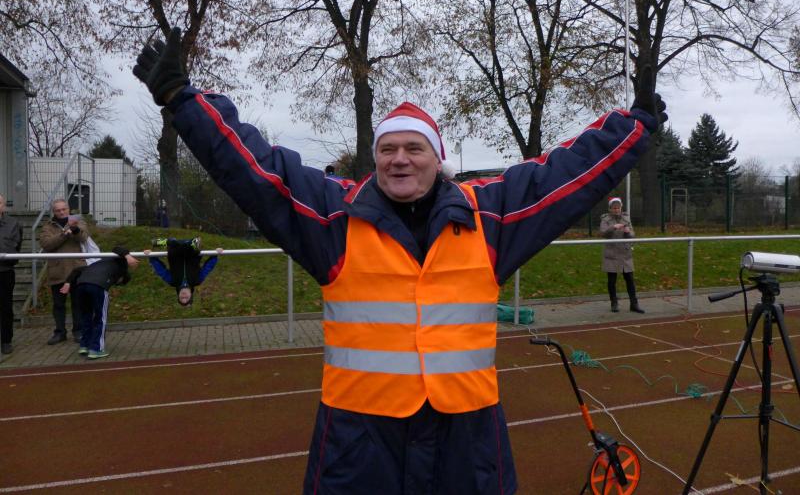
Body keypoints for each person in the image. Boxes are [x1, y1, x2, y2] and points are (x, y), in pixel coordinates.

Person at [134, 28, 666, 494]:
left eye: (415, 148)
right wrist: (184, 100)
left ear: (439, 159)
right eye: (388, 149)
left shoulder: (489, 217)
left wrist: (634, 127)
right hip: (361, 445)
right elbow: (256, 170)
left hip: (466, 443)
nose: (400, 159)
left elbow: (566, 176)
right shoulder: (335, 218)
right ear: (375, 159)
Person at [60, 246, 138, 359]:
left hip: (81, 286)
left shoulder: (99, 263)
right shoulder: (121, 265)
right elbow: (117, 248)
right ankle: (96, 349)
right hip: (98, 286)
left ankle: (84, 345)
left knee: (86, 316)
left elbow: (77, 270)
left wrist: (68, 282)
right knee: (100, 318)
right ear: (121, 278)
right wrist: (128, 256)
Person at [39, 199, 89, 345]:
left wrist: (75, 230)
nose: (61, 212)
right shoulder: (47, 226)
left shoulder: (78, 221)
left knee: (78, 303)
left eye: (64, 209)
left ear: (68, 209)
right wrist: (64, 234)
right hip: (57, 270)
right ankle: (60, 332)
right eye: (58, 210)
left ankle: (78, 331)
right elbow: (46, 244)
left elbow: (84, 237)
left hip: (77, 269)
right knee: (58, 304)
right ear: (53, 212)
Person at [600, 197, 645, 314]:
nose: (616, 210)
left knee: (630, 279)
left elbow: (632, 234)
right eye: (614, 208)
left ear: (621, 208)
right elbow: (603, 233)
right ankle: (614, 303)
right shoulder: (605, 219)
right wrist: (613, 227)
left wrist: (628, 232)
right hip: (611, 253)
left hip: (625, 253)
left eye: (618, 208)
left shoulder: (626, 218)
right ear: (610, 209)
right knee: (612, 280)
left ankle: (634, 304)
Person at [145, 237, 220, 306]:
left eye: (181, 298)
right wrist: (215, 254)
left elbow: (160, 270)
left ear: (178, 295)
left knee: (173, 243)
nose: (184, 296)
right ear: (190, 295)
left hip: (175, 254)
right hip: (192, 254)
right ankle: (194, 243)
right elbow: (207, 268)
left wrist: (151, 257)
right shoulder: (197, 280)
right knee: (189, 245)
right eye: (186, 298)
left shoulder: (172, 281)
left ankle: (160, 242)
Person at [0, 193, 23, 355]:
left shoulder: (13, 224)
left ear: (3, 206)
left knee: (5, 307)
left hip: (5, 271)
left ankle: (6, 340)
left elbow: (15, 246)